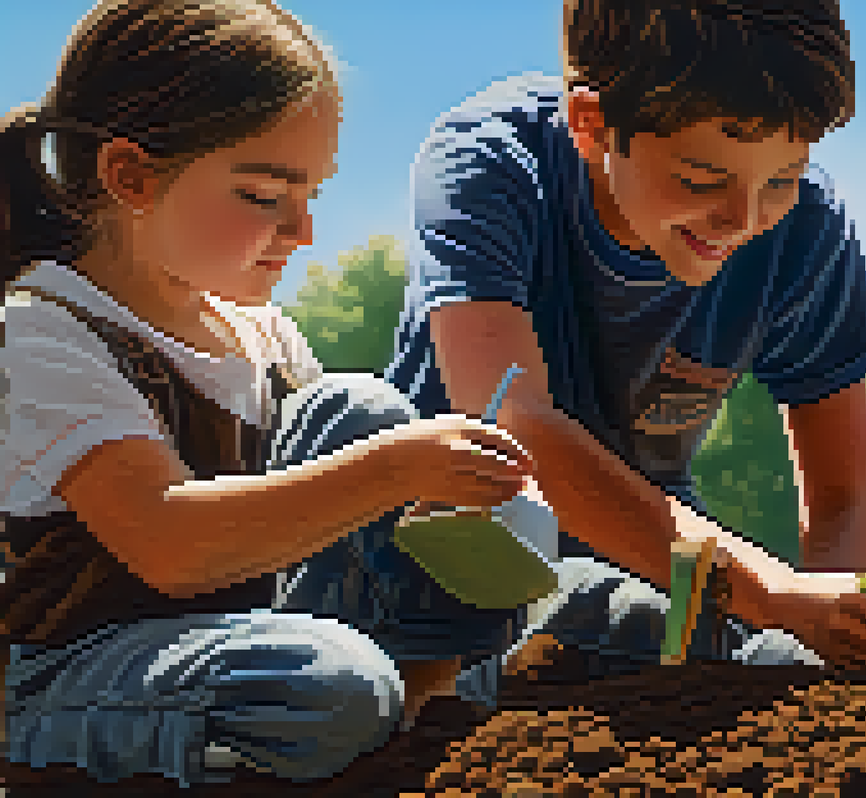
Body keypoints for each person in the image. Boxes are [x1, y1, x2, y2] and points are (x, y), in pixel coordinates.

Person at [386, 0, 866, 702]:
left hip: (670, 564)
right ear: (592, 126)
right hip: (455, 541)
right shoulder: (491, 162)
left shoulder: (805, 231)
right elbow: (513, 425)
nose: (743, 221)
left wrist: (848, 629)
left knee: (765, 669)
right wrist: (775, 592)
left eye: (782, 177)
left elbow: (841, 497)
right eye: (703, 178)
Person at [0, 0, 536, 788]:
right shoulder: (42, 334)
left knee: (361, 411)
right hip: (87, 668)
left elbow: (332, 505)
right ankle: (43, 746)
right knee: (327, 689)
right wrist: (392, 472)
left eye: (313, 195)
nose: (303, 231)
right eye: (263, 195)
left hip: (251, 635)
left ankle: (421, 712)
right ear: (131, 177)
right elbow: (171, 547)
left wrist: (440, 508)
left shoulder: (260, 331)